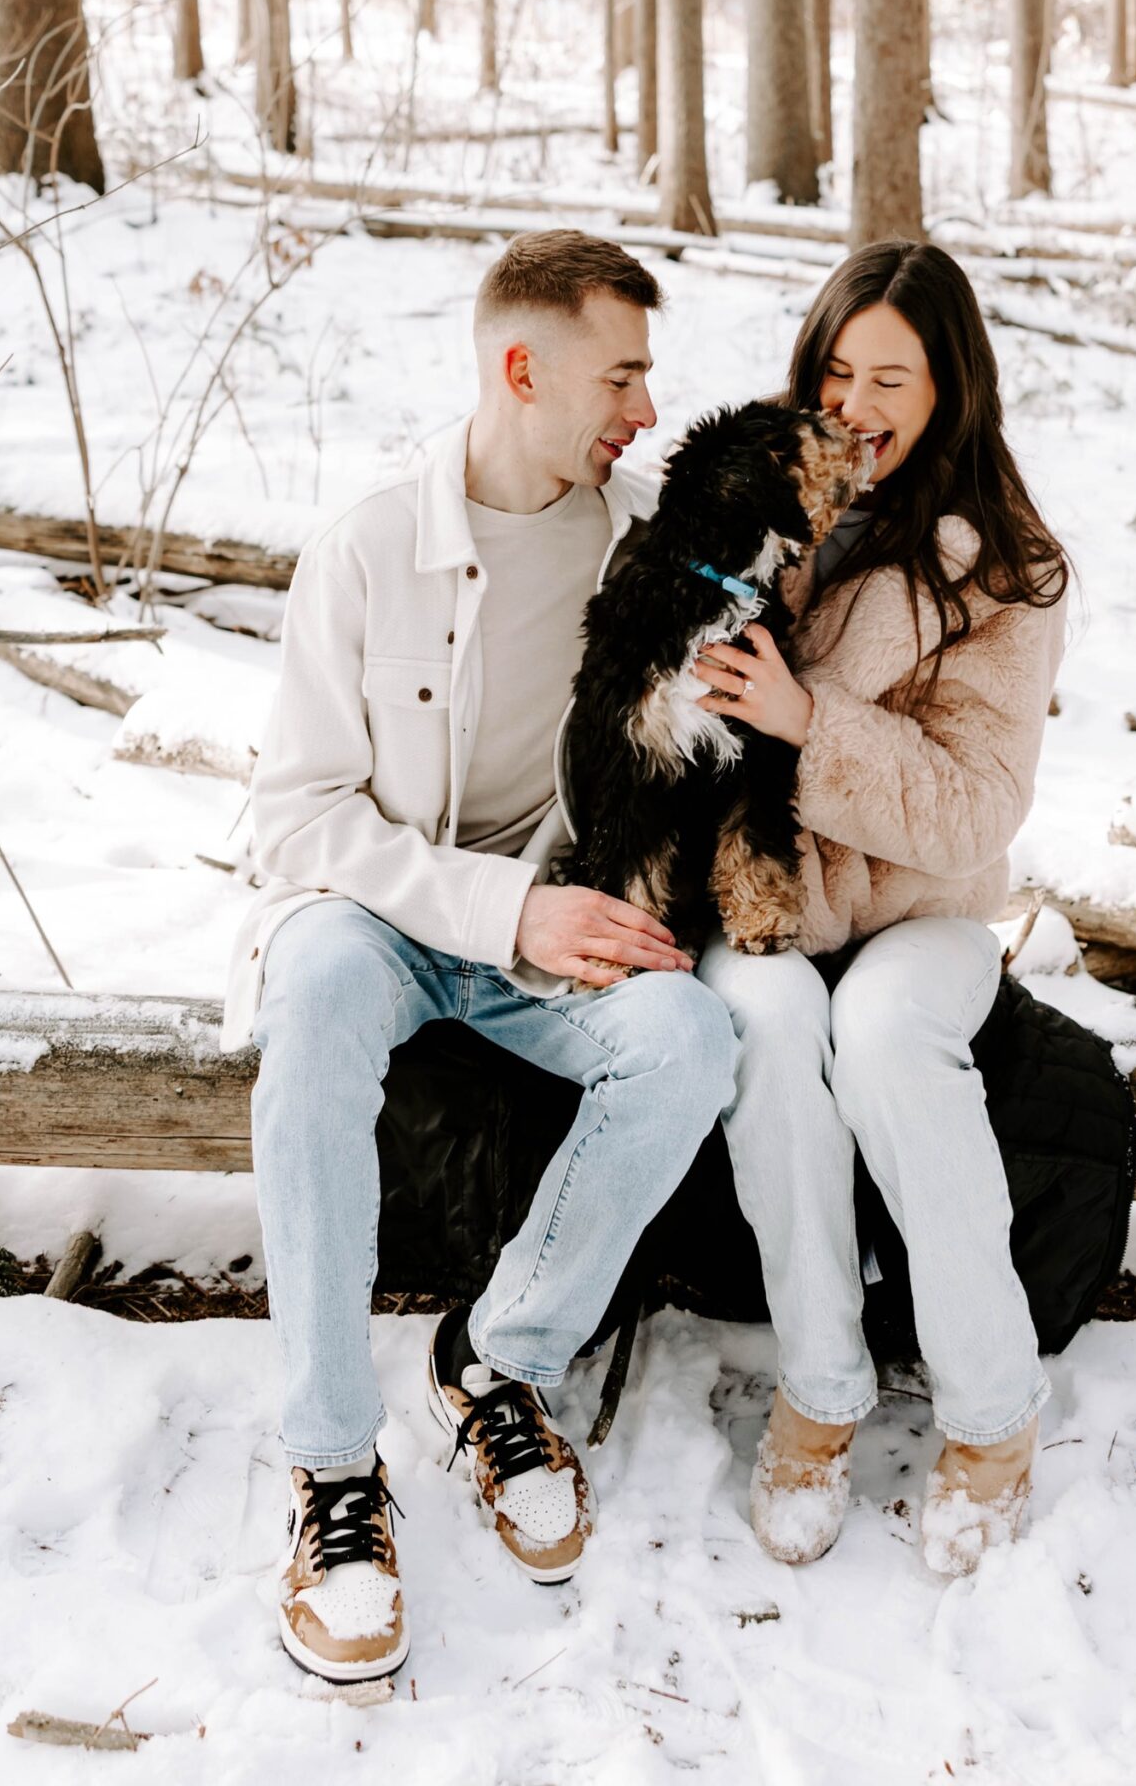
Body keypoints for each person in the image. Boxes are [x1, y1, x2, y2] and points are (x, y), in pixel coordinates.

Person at [227, 231, 737, 1688]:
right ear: (523, 369)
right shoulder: (372, 543)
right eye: (622, 375)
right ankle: (334, 1471)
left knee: (691, 1041)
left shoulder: (648, 550)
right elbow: (297, 815)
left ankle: (498, 1361)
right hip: (383, 916)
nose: (645, 408)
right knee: (314, 986)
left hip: (557, 923)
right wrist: (494, 913)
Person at [692, 240, 1070, 1578]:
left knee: (891, 1037)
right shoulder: (760, 505)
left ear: (949, 386)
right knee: (768, 1027)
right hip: (770, 900)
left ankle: (989, 1409)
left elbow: (977, 809)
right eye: (835, 368)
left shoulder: (1006, 569)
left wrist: (810, 722)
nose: (854, 402)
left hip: (921, 910)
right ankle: (821, 1385)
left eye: (890, 376)